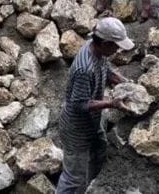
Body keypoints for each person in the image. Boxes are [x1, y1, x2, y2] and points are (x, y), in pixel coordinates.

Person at [56, 17, 135, 194]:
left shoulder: (96, 49)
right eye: (116, 46)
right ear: (105, 44)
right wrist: (112, 104)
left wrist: (124, 82)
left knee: (100, 149)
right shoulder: (85, 69)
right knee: (73, 178)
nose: (118, 50)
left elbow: (106, 69)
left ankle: (92, 187)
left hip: (92, 121)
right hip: (76, 130)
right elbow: (79, 104)